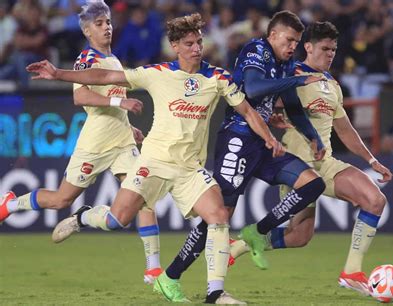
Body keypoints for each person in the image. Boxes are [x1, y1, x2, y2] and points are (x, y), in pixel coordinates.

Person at [26, 12, 283, 305]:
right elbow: (106, 76)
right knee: (117, 219)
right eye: (189, 43)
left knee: (219, 216)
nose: (197, 48)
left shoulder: (217, 77)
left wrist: (269, 137)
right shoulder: (157, 73)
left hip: (189, 168)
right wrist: (59, 74)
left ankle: (215, 293)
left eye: (199, 42)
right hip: (153, 163)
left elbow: (248, 111)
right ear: (175, 45)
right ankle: (85, 216)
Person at [154, 10, 328, 299]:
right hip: (238, 140)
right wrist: (297, 81)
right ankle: (171, 275)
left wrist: (313, 137)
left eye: (296, 42)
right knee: (218, 217)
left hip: (264, 144)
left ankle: (257, 232)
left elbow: (294, 107)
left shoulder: (286, 64)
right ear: (272, 35)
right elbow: (253, 87)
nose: (292, 47)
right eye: (288, 40)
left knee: (313, 184)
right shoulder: (256, 50)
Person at [0, 0, 163, 285]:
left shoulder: (113, 60)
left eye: (108, 22)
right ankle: (12, 203)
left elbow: (110, 106)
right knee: (62, 199)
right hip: (95, 144)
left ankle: (153, 268)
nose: (107, 28)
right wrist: (120, 101)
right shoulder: (86, 60)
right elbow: (81, 97)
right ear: (87, 31)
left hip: (122, 142)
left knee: (143, 197)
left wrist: (129, 127)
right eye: (99, 24)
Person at [228, 21, 393, 296]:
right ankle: (240, 245)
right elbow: (257, 103)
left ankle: (352, 272)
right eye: (325, 48)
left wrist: (372, 160)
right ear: (308, 47)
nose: (331, 54)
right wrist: (271, 118)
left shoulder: (332, 85)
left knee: (375, 200)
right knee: (298, 236)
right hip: (297, 167)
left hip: (325, 163)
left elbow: (346, 130)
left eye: (334, 49)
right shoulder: (290, 73)